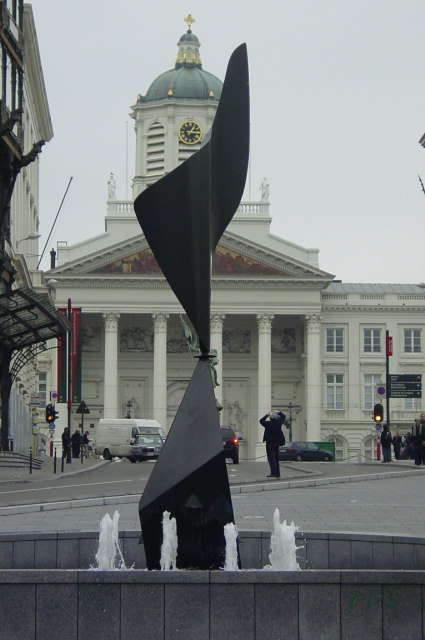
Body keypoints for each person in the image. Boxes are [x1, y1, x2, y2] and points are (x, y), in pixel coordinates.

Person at [259, 409, 286, 478]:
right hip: (277, 442)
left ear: (270, 417)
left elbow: (261, 421)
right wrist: (278, 412)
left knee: (271, 458)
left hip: (270, 442)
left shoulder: (268, 423)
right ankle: (277, 473)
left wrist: (266, 415)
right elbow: (283, 416)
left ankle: (273, 473)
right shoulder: (278, 422)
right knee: (276, 458)